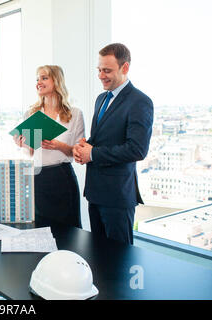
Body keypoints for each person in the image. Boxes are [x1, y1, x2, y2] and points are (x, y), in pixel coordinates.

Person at [73, 43, 153, 245]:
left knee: (119, 262)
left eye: (107, 70)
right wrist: (83, 148)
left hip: (118, 197)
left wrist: (93, 154)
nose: (101, 75)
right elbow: (99, 140)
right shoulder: (101, 99)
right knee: (99, 257)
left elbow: (137, 149)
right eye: (99, 70)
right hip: (95, 192)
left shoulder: (140, 101)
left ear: (124, 68)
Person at [13, 65, 84, 228]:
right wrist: (22, 143)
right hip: (38, 178)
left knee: (69, 231)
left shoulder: (74, 114)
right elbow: (30, 153)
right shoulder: (31, 114)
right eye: (37, 79)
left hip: (62, 177)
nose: (39, 82)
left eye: (44, 78)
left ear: (57, 81)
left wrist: (58, 146)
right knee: (40, 229)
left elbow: (78, 153)